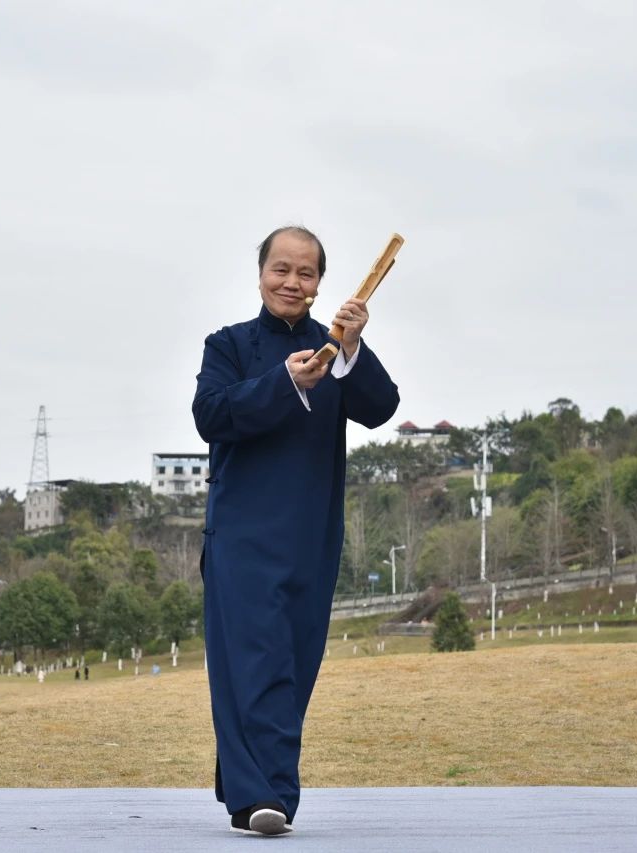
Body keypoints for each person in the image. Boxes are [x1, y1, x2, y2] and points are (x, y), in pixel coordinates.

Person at [193, 226, 399, 836]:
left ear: (320, 283)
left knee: (295, 663)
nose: (292, 282)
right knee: (252, 661)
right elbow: (210, 416)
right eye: (280, 269)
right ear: (261, 274)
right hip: (240, 534)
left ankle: (250, 786)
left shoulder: (333, 350)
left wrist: (352, 347)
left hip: (312, 534)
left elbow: (381, 408)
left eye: (305, 273)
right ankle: (268, 797)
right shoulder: (227, 345)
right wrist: (283, 383)